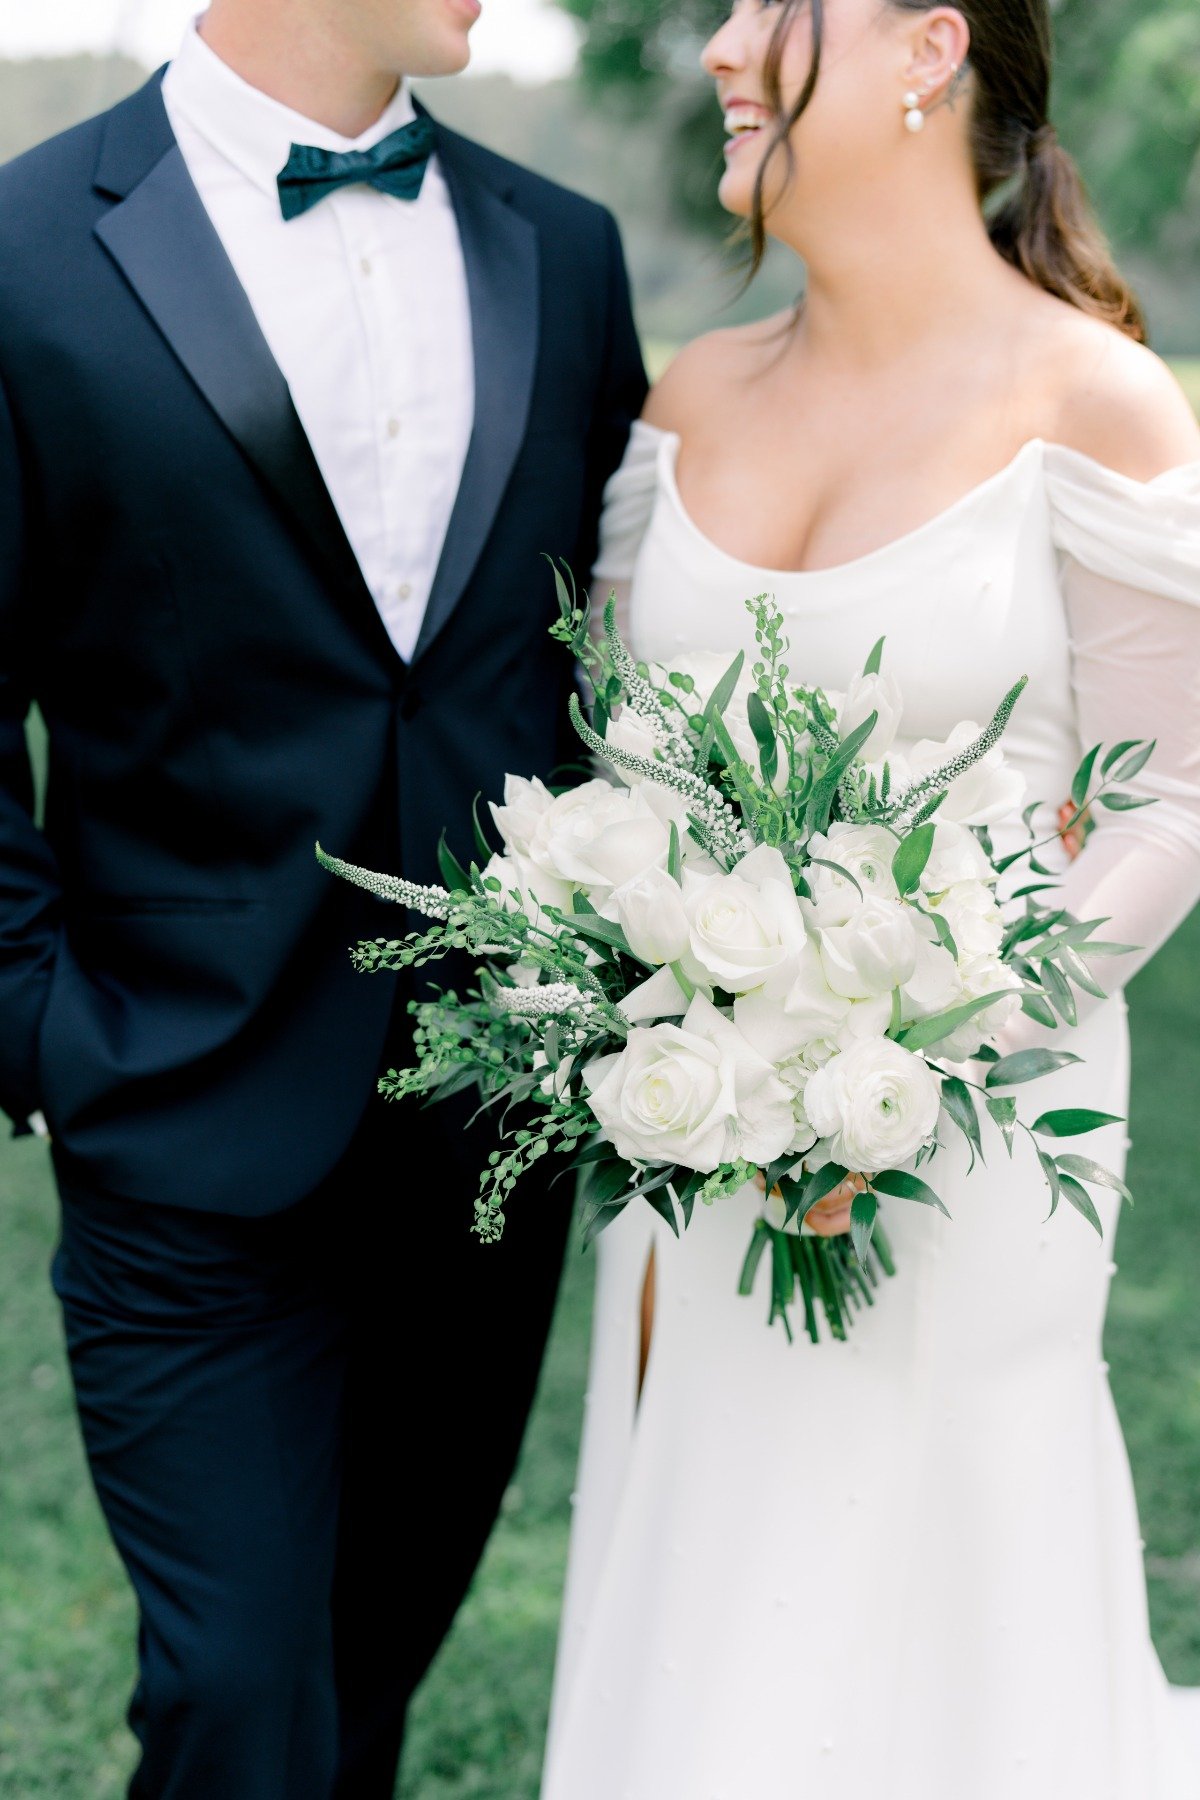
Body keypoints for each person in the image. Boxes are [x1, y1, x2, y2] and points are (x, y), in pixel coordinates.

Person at [542, 2, 1200, 1795]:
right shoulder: (688, 405)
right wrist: (660, 1021)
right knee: (714, 1585)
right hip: (691, 1143)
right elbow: (615, 783)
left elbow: (1174, 801)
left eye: (772, 9)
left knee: (930, 1623)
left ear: (928, 48)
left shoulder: (1095, 401)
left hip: (977, 1146)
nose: (723, 53)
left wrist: (931, 1033)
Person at [0, 0, 645, 1791]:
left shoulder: (567, 254)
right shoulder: (24, 248)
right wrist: (43, 1028)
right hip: (178, 1101)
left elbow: (587, 667)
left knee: (362, 1691)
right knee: (236, 1698)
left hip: (484, 1128)